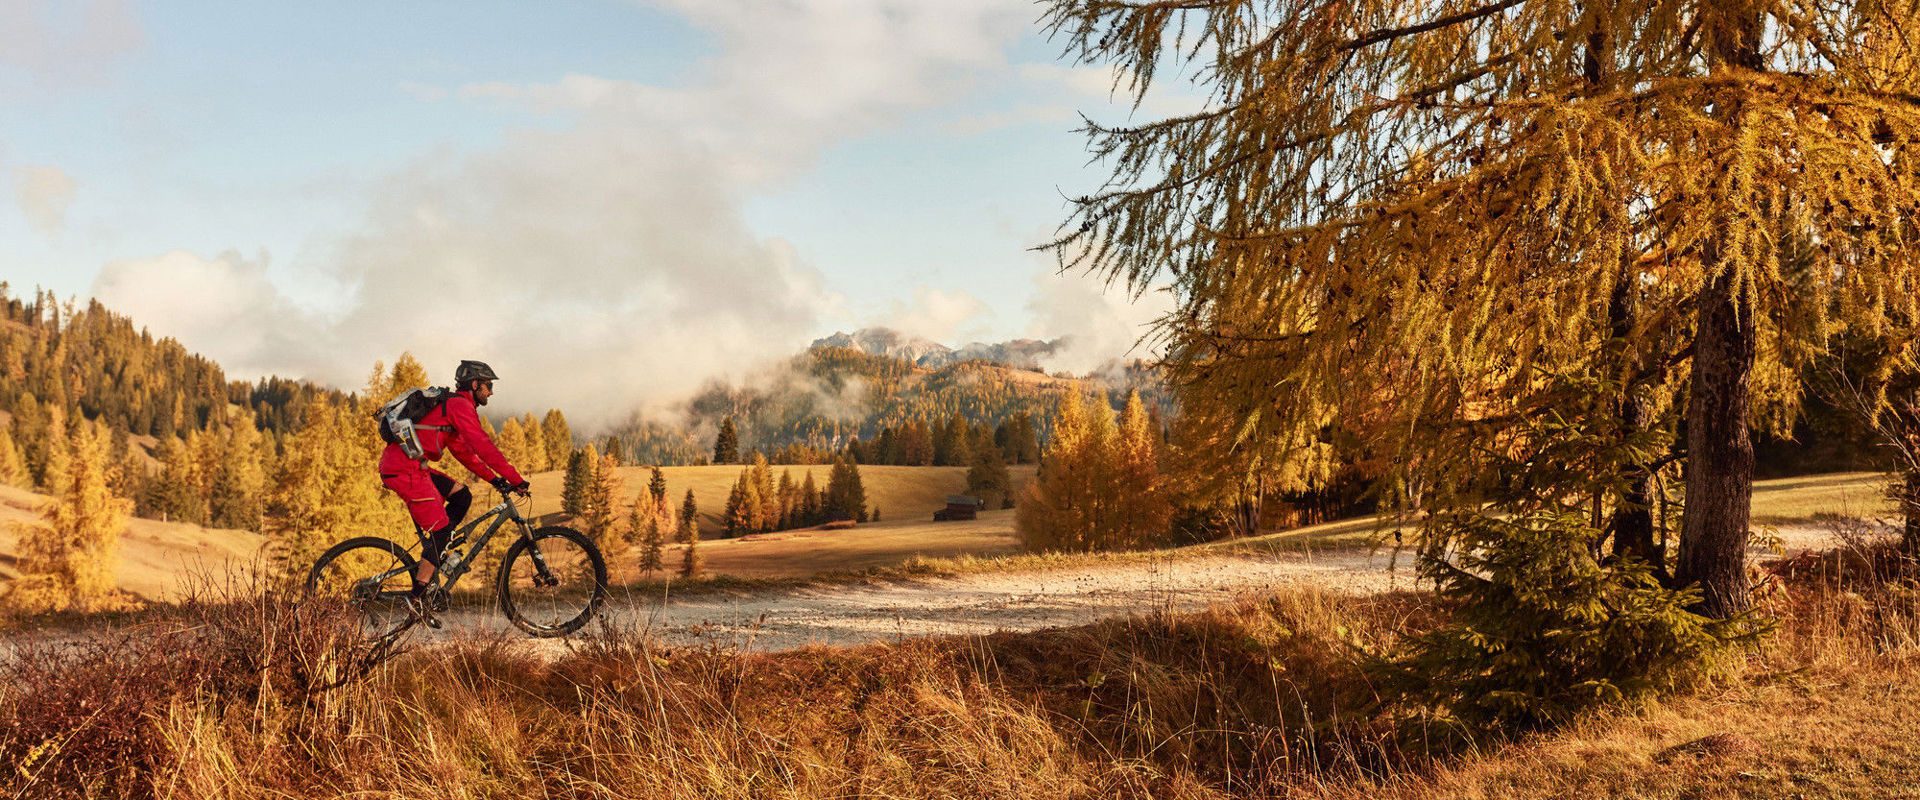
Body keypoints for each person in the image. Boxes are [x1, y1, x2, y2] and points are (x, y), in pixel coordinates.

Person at [377, 359, 530, 626]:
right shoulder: (460, 406)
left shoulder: (453, 409)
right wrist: (515, 479)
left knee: (462, 496)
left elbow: (466, 454)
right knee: (440, 529)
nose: (491, 392)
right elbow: (483, 445)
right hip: (405, 469)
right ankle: (417, 598)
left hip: (410, 467)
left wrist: (496, 480)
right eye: (488, 386)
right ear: (475, 384)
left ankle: (438, 551)